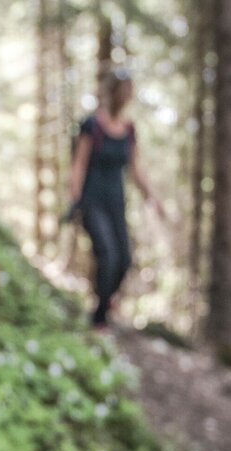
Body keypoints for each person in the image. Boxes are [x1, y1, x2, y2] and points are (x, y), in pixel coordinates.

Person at [67, 70, 165, 330]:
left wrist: (153, 198)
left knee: (124, 260)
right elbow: (78, 164)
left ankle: (106, 301)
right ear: (112, 92)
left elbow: (136, 169)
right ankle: (98, 319)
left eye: (130, 91)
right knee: (107, 255)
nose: (127, 96)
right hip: (91, 201)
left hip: (116, 203)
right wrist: (75, 199)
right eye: (123, 90)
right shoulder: (92, 125)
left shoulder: (129, 130)